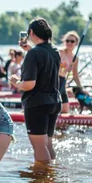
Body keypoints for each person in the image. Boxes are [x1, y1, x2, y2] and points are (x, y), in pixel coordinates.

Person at [10, 18, 61, 163]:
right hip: (54, 102)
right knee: (47, 144)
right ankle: (52, 176)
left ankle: (42, 179)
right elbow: (43, 58)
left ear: (31, 32)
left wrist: (16, 82)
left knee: (39, 147)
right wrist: (30, 50)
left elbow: (29, 84)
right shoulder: (54, 51)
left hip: (37, 104)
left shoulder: (34, 54)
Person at [58, 31, 84, 113]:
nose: (69, 43)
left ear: (76, 43)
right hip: (54, 81)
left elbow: (75, 76)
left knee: (66, 110)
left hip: (62, 81)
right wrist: (65, 69)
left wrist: (80, 88)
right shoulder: (60, 52)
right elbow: (52, 69)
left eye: (72, 41)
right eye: (67, 41)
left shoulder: (75, 58)